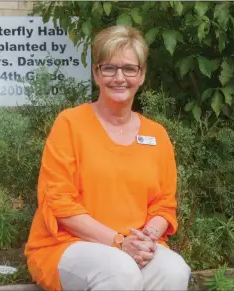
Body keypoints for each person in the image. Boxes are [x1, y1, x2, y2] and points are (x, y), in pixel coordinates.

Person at [25, 25, 191, 291]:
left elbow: (164, 205)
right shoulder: (70, 123)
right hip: (68, 245)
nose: (119, 77)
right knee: (120, 271)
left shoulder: (157, 135)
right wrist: (118, 241)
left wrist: (147, 238)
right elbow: (58, 202)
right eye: (109, 68)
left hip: (133, 246)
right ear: (96, 73)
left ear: (142, 74)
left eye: (129, 68)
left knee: (175, 271)